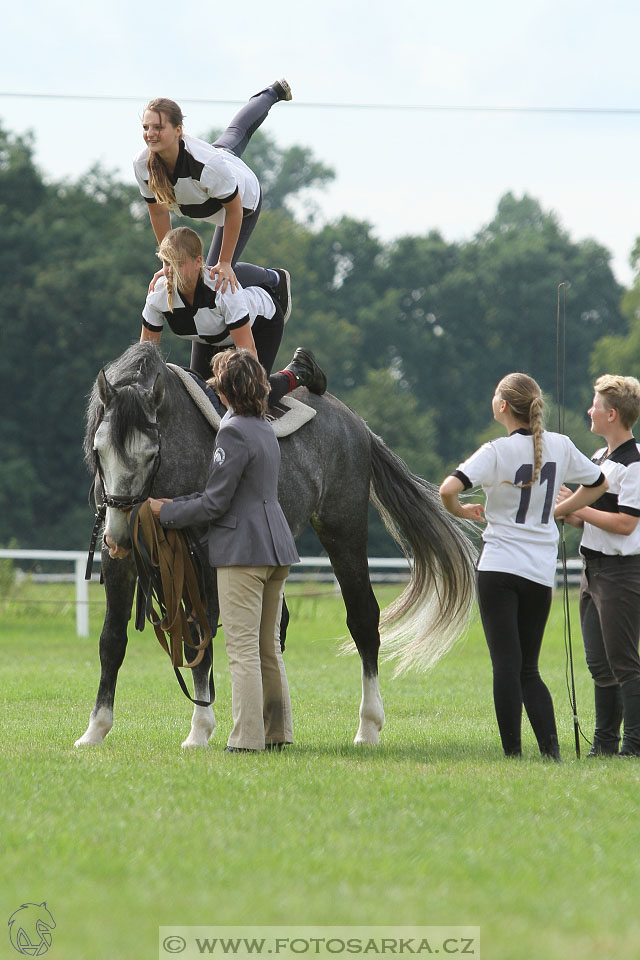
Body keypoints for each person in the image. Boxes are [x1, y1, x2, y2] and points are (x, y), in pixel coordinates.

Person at [439, 373, 608, 760]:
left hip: (498, 566)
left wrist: (463, 511)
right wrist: (559, 511)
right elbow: (599, 483)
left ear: (502, 407)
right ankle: (552, 753)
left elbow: (448, 489)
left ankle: (513, 755)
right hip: (539, 570)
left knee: (505, 665)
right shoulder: (562, 446)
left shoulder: (495, 451)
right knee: (529, 668)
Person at [149, 349, 299, 752]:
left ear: (225, 392)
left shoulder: (231, 431)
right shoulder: (265, 427)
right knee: (269, 646)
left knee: (242, 648)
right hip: (276, 546)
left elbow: (215, 504)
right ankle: (276, 732)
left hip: (243, 551)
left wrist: (166, 511)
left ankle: (246, 739)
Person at [134, 80, 291, 374]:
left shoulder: (205, 165)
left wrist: (226, 262)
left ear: (178, 130)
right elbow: (157, 214)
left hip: (241, 205)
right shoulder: (143, 165)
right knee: (233, 135)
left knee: (214, 276)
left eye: (158, 127)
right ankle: (269, 93)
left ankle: (273, 280)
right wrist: (169, 262)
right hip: (212, 188)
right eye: (146, 127)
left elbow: (232, 210)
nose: (150, 134)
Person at [141, 226, 327, 399]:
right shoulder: (157, 294)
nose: (170, 271)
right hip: (213, 335)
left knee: (248, 396)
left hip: (261, 324)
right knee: (198, 398)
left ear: (198, 261)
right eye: (166, 263)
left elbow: (248, 356)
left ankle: (300, 370)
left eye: (178, 263)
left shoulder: (223, 291)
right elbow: (145, 359)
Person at [556, 375, 640, 757]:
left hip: (622, 574)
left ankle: (633, 745)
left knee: (624, 662)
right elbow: (582, 519)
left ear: (612, 414)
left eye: (594, 405)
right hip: (592, 572)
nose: (589, 411)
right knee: (598, 663)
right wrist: (560, 507)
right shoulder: (596, 460)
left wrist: (575, 505)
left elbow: (626, 524)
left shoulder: (635, 464)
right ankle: (604, 745)